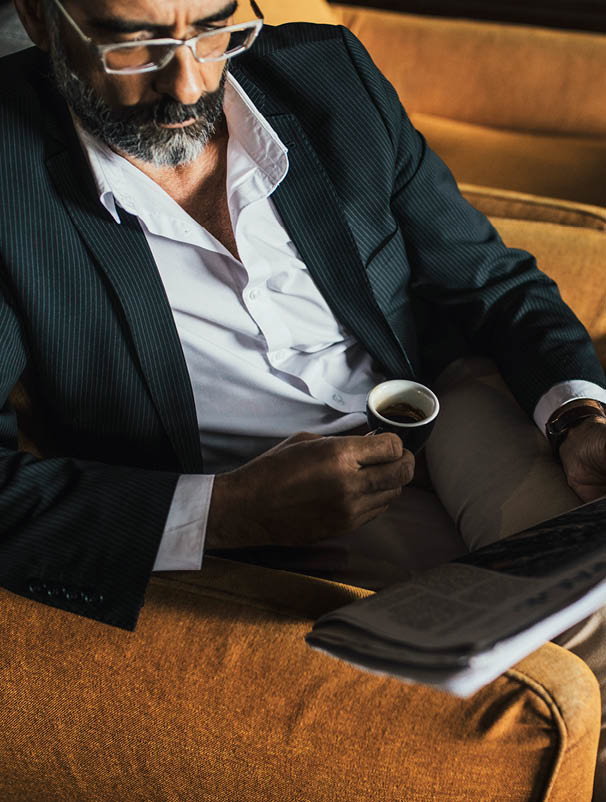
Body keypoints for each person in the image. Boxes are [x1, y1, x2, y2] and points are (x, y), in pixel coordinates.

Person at [3, 0, 606, 794]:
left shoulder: (330, 71)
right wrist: (227, 511)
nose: (187, 83)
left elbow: (489, 282)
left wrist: (579, 414)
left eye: (215, 28)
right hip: (262, 509)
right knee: (526, 683)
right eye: (133, 44)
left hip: (447, 407)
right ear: (44, 23)